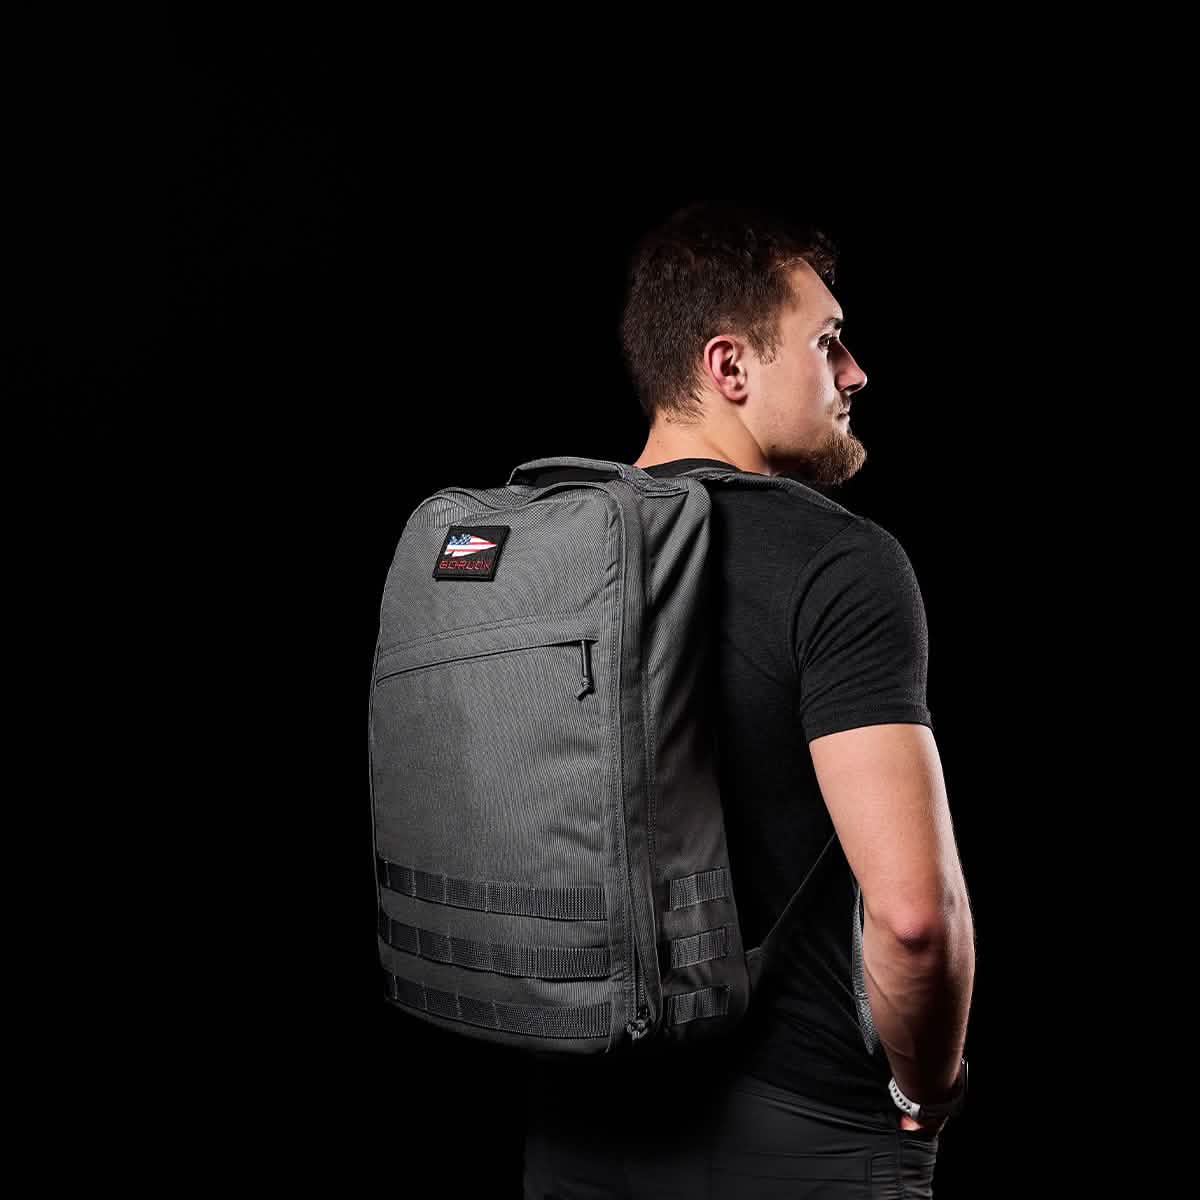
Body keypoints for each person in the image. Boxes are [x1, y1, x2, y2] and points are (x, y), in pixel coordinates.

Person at [520, 201, 976, 1198]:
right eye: (826, 343)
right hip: (795, 1134)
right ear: (730, 369)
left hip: (576, 1118)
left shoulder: (543, 551)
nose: (855, 372)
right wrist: (924, 1095)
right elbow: (914, 921)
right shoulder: (839, 561)